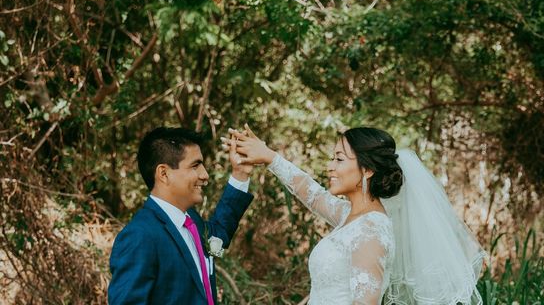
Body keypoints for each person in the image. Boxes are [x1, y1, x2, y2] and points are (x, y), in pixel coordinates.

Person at [225, 125, 486, 305]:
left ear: (367, 170)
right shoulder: (350, 215)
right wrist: (269, 157)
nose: (330, 167)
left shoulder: (371, 231)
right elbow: (311, 193)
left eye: (339, 159)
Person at [108, 127, 254, 305]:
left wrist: (240, 173)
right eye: (195, 165)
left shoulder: (192, 222)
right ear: (164, 173)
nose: (205, 175)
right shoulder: (140, 236)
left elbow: (220, 231)